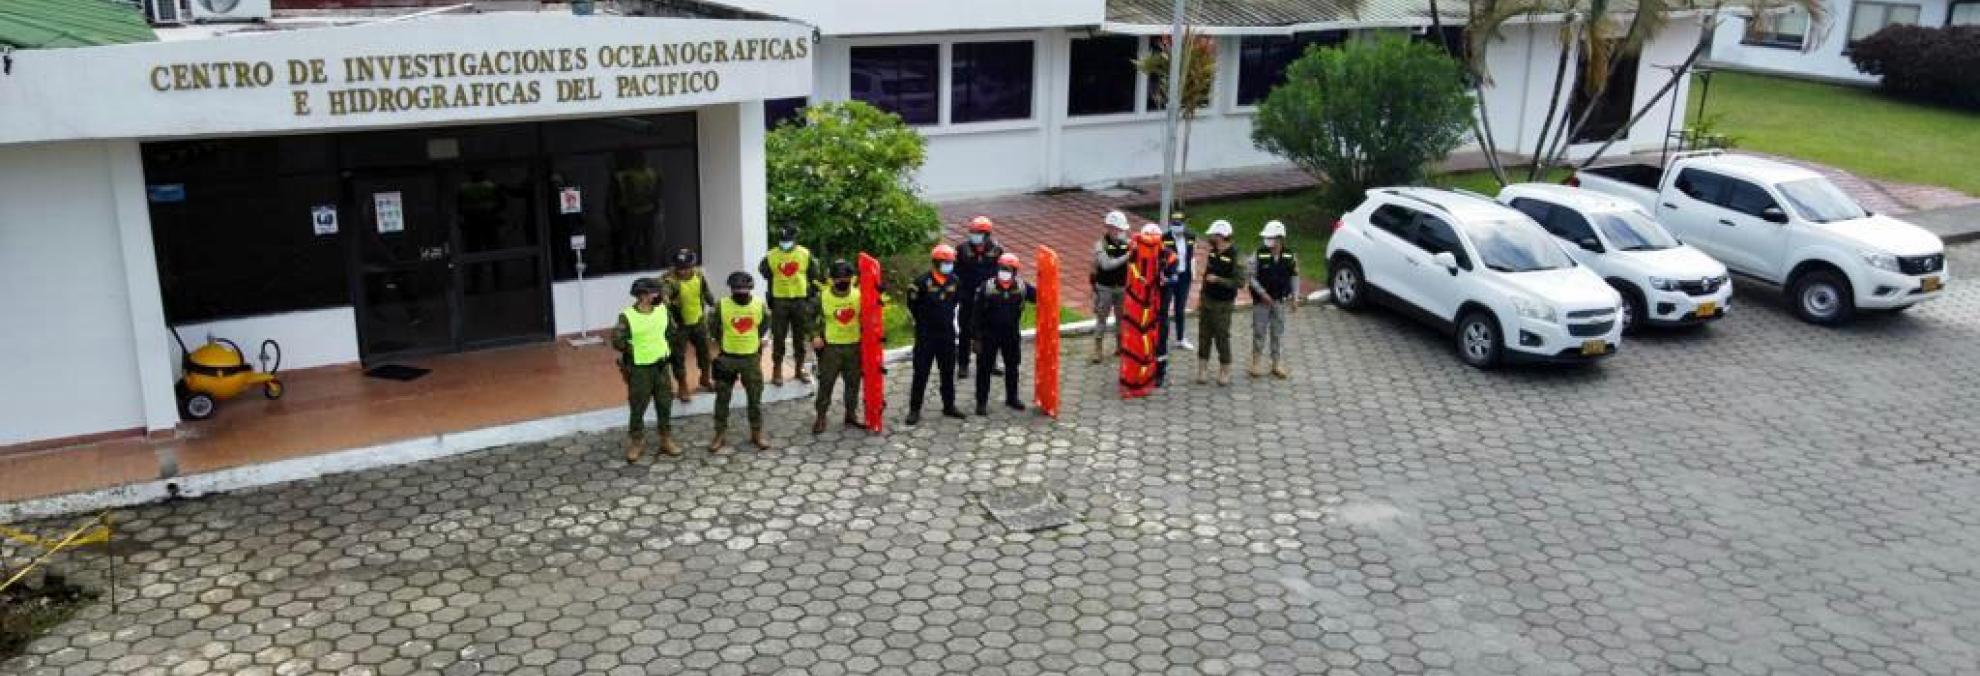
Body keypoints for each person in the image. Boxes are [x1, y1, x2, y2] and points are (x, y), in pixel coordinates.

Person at [612, 277, 679, 463]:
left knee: (665, 403)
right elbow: (617, 340)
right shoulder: (627, 316)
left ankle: (665, 439)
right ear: (642, 296)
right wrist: (635, 352)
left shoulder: (663, 310)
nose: (658, 296)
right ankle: (637, 442)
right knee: (638, 406)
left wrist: (664, 350)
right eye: (654, 293)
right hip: (640, 370)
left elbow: (672, 331)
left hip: (661, 366)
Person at [708, 271, 774, 451]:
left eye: (744, 289)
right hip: (727, 358)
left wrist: (756, 342)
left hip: (750, 359)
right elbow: (712, 327)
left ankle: (756, 433)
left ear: (750, 288)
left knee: (755, 399)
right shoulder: (721, 306)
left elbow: (765, 326)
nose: (741, 292)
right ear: (731, 289)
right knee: (722, 398)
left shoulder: (759, 306)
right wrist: (720, 344)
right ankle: (719, 434)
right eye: (737, 289)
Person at [905, 245, 967, 425]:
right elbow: (912, 305)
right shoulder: (921, 282)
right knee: (921, 373)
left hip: (946, 334)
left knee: (948, 372)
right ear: (936, 263)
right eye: (946, 262)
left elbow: (956, 301)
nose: (949, 265)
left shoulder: (955, 281)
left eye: (951, 262)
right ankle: (914, 410)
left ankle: (949, 406)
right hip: (926, 335)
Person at [1120, 223, 1179, 398]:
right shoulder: (1136, 254)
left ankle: (1159, 372)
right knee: (1138, 341)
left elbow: (1174, 276)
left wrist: (1165, 278)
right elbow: (1130, 273)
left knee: (1160, 340)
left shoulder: (1168, 256)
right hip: (1140, 307)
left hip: (1159, 308)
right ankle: (1138, 372)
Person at [759, 224, 822, 386]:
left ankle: (799, 369)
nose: (784, 243)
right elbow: (764, 271)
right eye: (782, 240)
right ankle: (777, 370)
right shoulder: (771, 255)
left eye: (787, 240)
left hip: (800, 300)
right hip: (780, 301)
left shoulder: (804, 254)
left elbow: (814, 273)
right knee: (778, 337)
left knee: (799, 337)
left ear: (794, 239)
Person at [973, 253, 1035, 416]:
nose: (1004, 272)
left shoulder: (1022, 287)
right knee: (984, 369)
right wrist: (976, 338)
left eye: (1008, 269)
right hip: (988, 335)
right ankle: (981, 402)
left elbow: (1041, 297)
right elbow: (976, 314)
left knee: (1012, 367)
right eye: (1002, 268)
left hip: (1011, 334)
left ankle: (1012, 397)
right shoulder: (987, 287)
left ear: (1015, 271)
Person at [811, 260, 868, 434]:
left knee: (853, 383)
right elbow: (810, 318)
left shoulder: (859, 295)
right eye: (839, 278)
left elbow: (869, 318)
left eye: (847, 278)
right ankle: (821, 417)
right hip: (831, 348)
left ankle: (850, 414)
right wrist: (815, 335)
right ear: (832, 279)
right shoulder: (823, 297)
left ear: (852, 278)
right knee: (826, 383)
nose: (843, 281)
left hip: (854, 346)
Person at [662, 248, 716, 402]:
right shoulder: (669, 280)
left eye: (686, 268)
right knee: (678, 356)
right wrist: (665, 300)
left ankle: (705, 378)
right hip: (680, 325)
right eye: (679, 268)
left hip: (698, 320)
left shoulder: (698, 275)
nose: (683, 271)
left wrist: (713, 304)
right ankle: (682, 385)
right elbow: (664, 293)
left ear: (692, 266)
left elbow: (705, 292)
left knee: (704, 351)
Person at [954, 215, 1005, 379]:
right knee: (965, 332)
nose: (973, 235)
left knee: (992, 332)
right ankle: (963, 365)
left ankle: (991, 363)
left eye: (978, 233)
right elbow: (954, 274)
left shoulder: (997, 251)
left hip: (989, 299)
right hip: (968, 298)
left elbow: (1002, 273)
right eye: (972, 232)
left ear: (987, 235)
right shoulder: (961, 250)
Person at [1249, 220, 1300, 379]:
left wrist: (1295, 297)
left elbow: (1294, 276)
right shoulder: (1258, 254)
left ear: (1280, 238)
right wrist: (1262, 293)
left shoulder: (1289, 256)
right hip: (1261, 302)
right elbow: (1250, 277)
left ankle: (1276, 363)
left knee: (1277, 332)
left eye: (1271, 237)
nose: (1267, 240)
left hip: (1279, 301)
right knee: (1259, 331)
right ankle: (1256, 363)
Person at [1196, 220, 1242, 386]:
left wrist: (1218, 280)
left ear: (1221, 236)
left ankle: (1225, 370)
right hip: (1208, 299)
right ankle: (1202, 368)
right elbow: (1206, 276)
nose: (1210, 237)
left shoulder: (1235, 255)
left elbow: (1239, 282)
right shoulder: (1213, 252)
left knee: (1222, 336)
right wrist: (1201, 297)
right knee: (1204, 335)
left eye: (1213, 235)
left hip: (1223, 304)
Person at [1089, 211, 1133, 364]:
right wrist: (1128, 256)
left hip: (1121, 288)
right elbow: (1107, 265)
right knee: (1102, 318)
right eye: (1118, 229)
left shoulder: (1126, 243)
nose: (1121, 233)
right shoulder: (1100, 245)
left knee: (1121, 319)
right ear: (1109, 228)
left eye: (1122, 230)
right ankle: (1098, 349)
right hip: (1104, 288)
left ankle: (1120, 345)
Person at [1161, 211, 1198, 352]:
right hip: (1170, 276)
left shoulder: (1191, 237)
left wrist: (1193, 272)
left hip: (1184, 276)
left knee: (1180, 308)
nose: (1176, 226)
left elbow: (1192, 255)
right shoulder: (1165, 237)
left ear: (1184, 224)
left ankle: (1180, 338)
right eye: (1174, 224)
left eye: (1179, 224)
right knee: (1164, 307)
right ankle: (1162, 338)